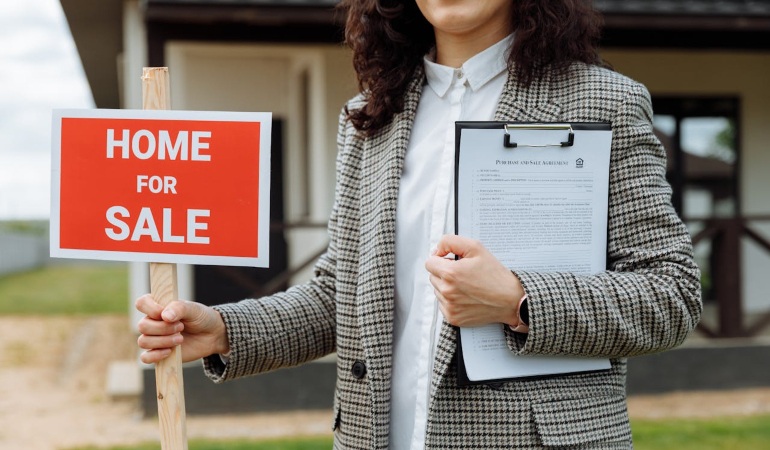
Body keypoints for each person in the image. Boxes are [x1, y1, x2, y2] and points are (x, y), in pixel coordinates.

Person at [136, 0, 702, 448]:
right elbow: (343, 295)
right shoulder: (368, 118)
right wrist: (225, 329)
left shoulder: (603, 101)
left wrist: (518, 300)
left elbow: (671, 293)